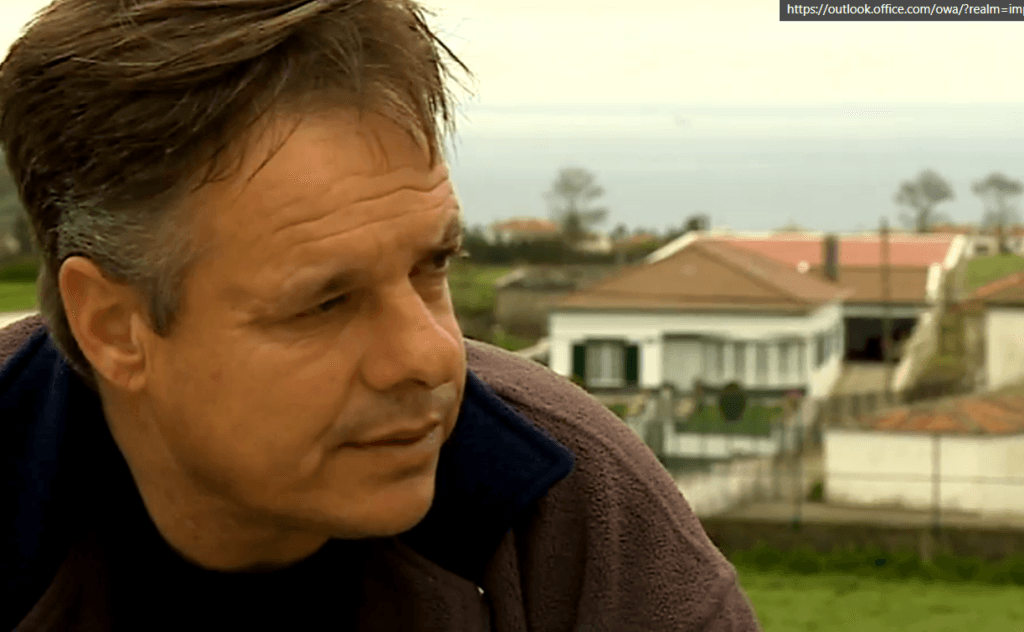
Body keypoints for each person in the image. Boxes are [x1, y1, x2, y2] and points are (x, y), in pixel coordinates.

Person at [0, 1, 763, 630]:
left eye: (433, 266)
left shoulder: (568, 512)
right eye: (326, 301)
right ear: (115, 328)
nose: (431, 356)